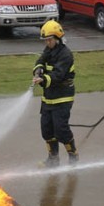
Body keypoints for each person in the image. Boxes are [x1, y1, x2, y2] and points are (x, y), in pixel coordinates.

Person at [32, 20, 77, 166]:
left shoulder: (66, 55)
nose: (47, 42)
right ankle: (53, 159)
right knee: (46, 129)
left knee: (61, 130)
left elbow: (58, 75)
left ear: (57, 38)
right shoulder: (49, 50)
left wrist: (43, 79)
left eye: (49, 39)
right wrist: (38, 69)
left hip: (63, 97)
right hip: (49, 97)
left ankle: (73, 156)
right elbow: (41, 60)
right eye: (45, 40)